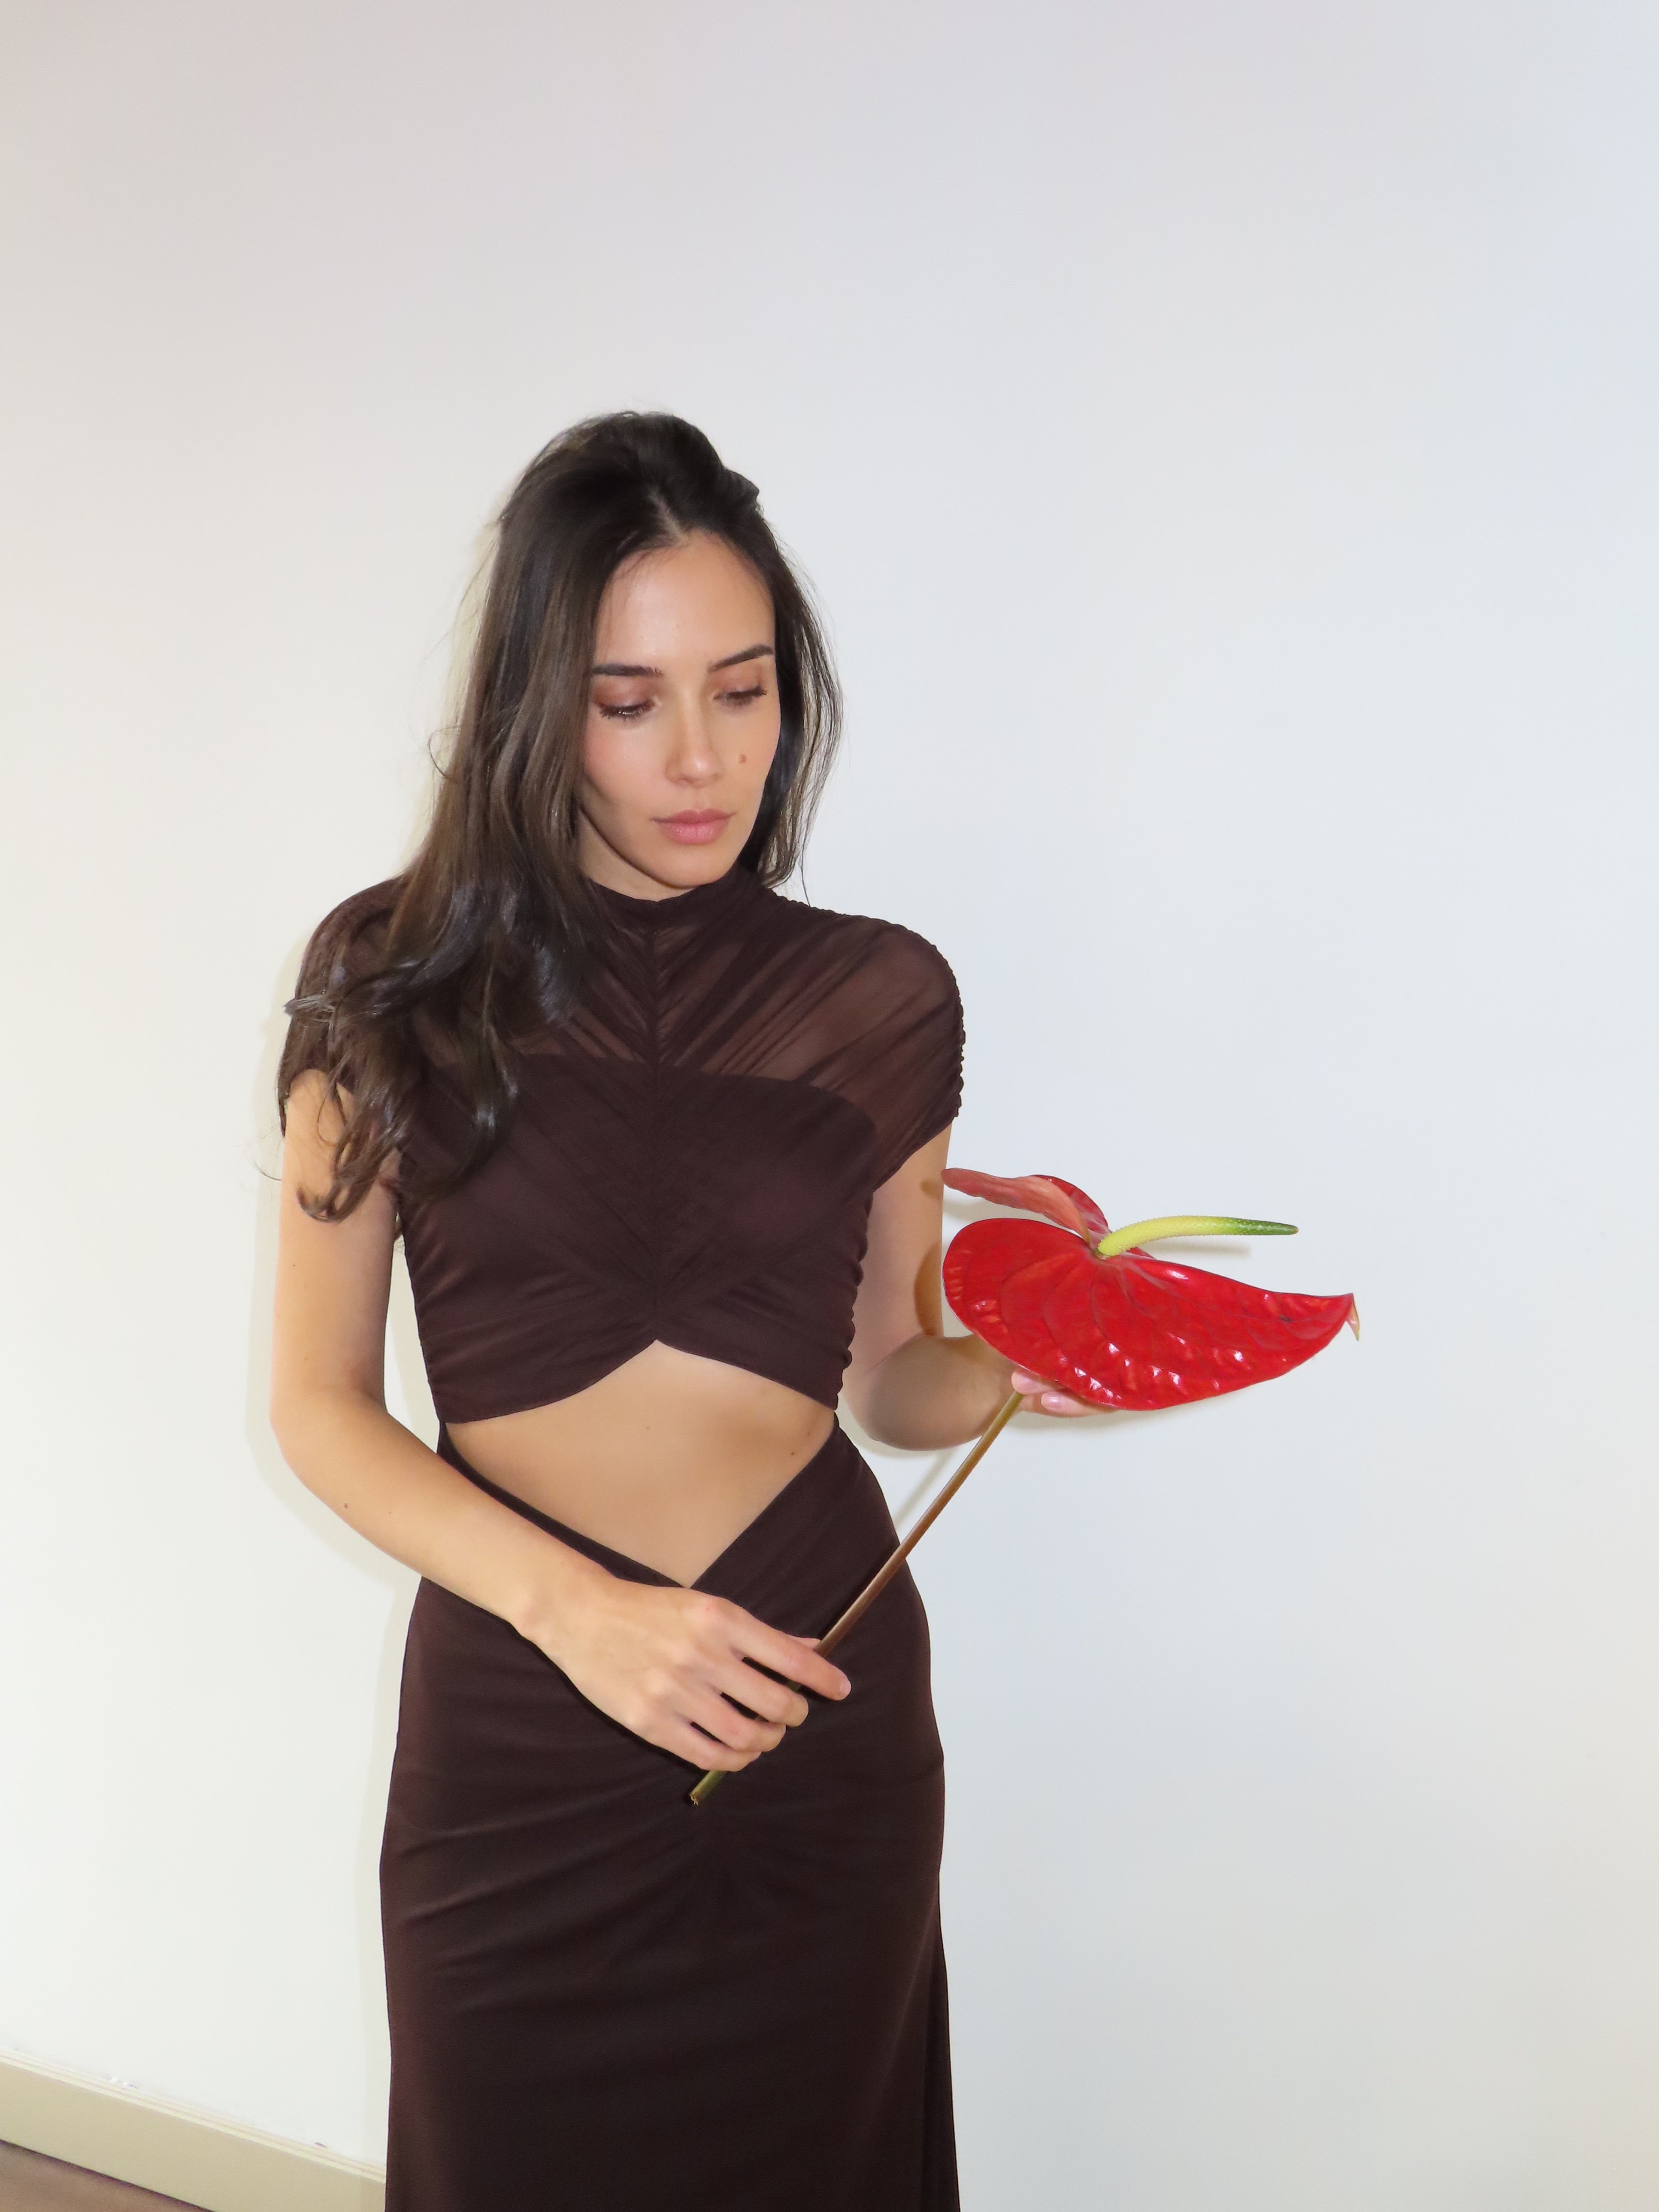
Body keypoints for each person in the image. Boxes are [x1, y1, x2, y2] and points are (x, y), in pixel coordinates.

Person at [270, 412, 1089, 2212]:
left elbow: (891, 1371)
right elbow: (317, 1406)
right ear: (531, 705)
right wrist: (580, 1614)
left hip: (810, 1694)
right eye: (628, 700)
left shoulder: (876, 995)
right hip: (525, 1711)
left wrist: (1041, 1349)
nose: (702, 756)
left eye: (744, 688)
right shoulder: (386, 977)